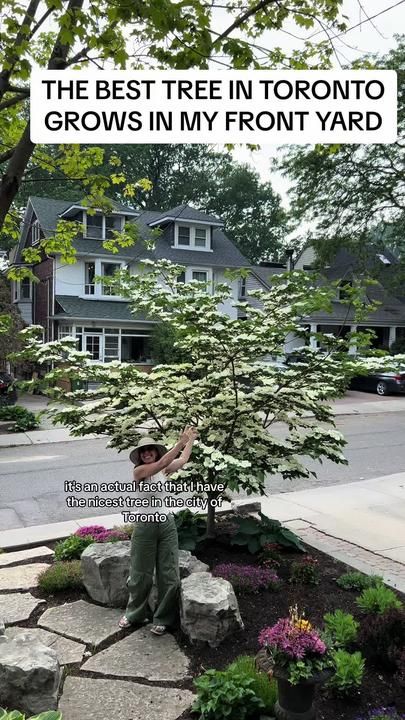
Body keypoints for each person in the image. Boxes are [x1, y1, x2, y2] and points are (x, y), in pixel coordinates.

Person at [119, 427, 198, 635]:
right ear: (139, 455)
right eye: (143, 451)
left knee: (168, 573)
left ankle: (163, 618)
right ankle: (134, 613)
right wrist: (179, 442)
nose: (146, 453)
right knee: (140, 573)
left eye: (150, 450)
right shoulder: (139, 472)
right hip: (145, 525)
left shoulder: (163, 470)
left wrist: (190, 440)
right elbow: (162, 463)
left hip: (166, 524)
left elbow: (183, 460)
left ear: (155, 451)